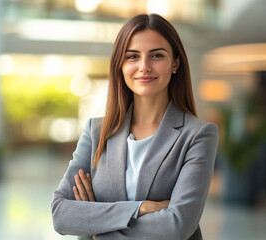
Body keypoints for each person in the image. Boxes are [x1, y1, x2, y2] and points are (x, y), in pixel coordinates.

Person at [52, 13, 218, 240]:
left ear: (175, 64)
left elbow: (177, 227)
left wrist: (94, 225)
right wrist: (141, 208)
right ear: (120, 65)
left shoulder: (198, 135)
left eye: (156, 55)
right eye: (132, 57)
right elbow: (61, 214)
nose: (144, 66)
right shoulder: (96, 132)